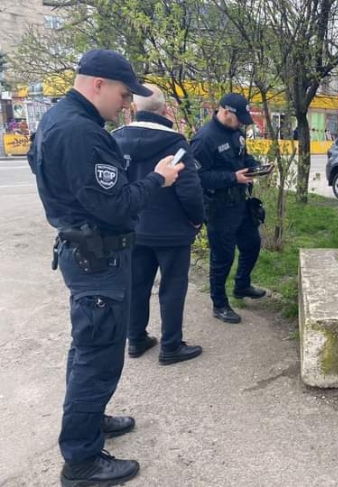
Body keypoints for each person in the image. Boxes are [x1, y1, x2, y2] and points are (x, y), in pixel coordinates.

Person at [27, 49, 184, 486]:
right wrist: (158, 178)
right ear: (98, 84)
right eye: (123, 93)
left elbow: (45, 170)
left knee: (88, 349)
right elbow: (116, 206)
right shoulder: (81, 132)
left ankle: (89, 421)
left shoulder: (57, 119)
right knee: (97, 358)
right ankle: (81, 461)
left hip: (84, 251)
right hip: (96, 258)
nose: (126, 103)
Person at [112, 83, 204, 366]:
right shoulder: (176, 144)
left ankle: (135, 338)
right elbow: (189, 190)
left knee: (137, 286)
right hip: (172, 231)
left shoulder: (115, 138)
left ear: (133, 108)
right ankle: (171, 346)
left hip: (133, 228)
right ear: (165, 110)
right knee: (172, 288)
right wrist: (197, 219)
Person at [190, 93, 267, 324]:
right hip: (218, 207)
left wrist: (256, 167)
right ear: (225, 111)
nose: (242, 122)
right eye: (239, 118)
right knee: (222, 257)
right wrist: (232, 177)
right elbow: (197, 177)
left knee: (252, 244)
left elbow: (243, 157)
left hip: (240, 203)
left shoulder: (236, 132)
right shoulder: (204, 139)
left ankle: (241, 285)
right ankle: (219, 304)